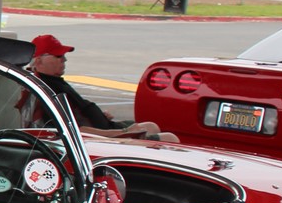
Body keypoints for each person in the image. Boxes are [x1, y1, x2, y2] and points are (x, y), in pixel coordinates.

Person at [29, 34, 177, 141]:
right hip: (102, 138)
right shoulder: (46, 89)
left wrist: (99, 115)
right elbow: (74, 129)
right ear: (40, 61)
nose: (64, 60)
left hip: (106, 128)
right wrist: (122, 132)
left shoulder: (53, 81)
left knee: (152, 126)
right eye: (58, 56)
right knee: (170, 139)